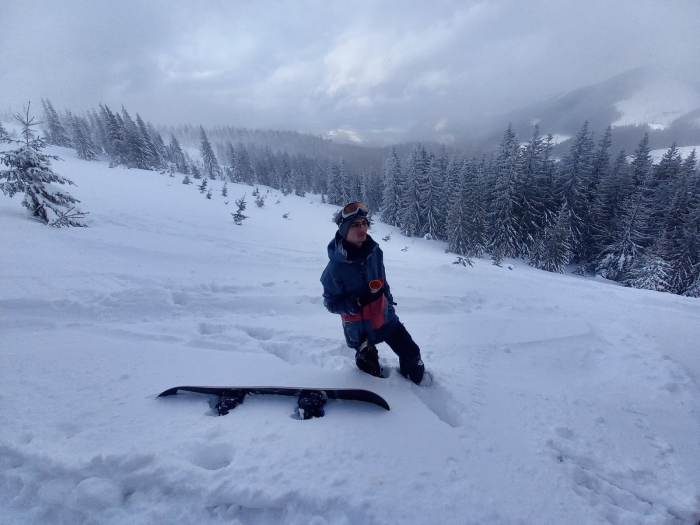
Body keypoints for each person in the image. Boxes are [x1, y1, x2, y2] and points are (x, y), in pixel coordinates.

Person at [320, 201, 426, 384]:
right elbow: (331, 303)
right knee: (370, 375)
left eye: (364, 223)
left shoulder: (375, 252)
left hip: (386, 319)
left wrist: (388, 302)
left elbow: (384, 282)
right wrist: (356, 303)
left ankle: (415, 387)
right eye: (355, 225)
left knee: (413, 357)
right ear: (343, 230)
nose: (362, 228)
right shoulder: (334, 269)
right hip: (360, 330)